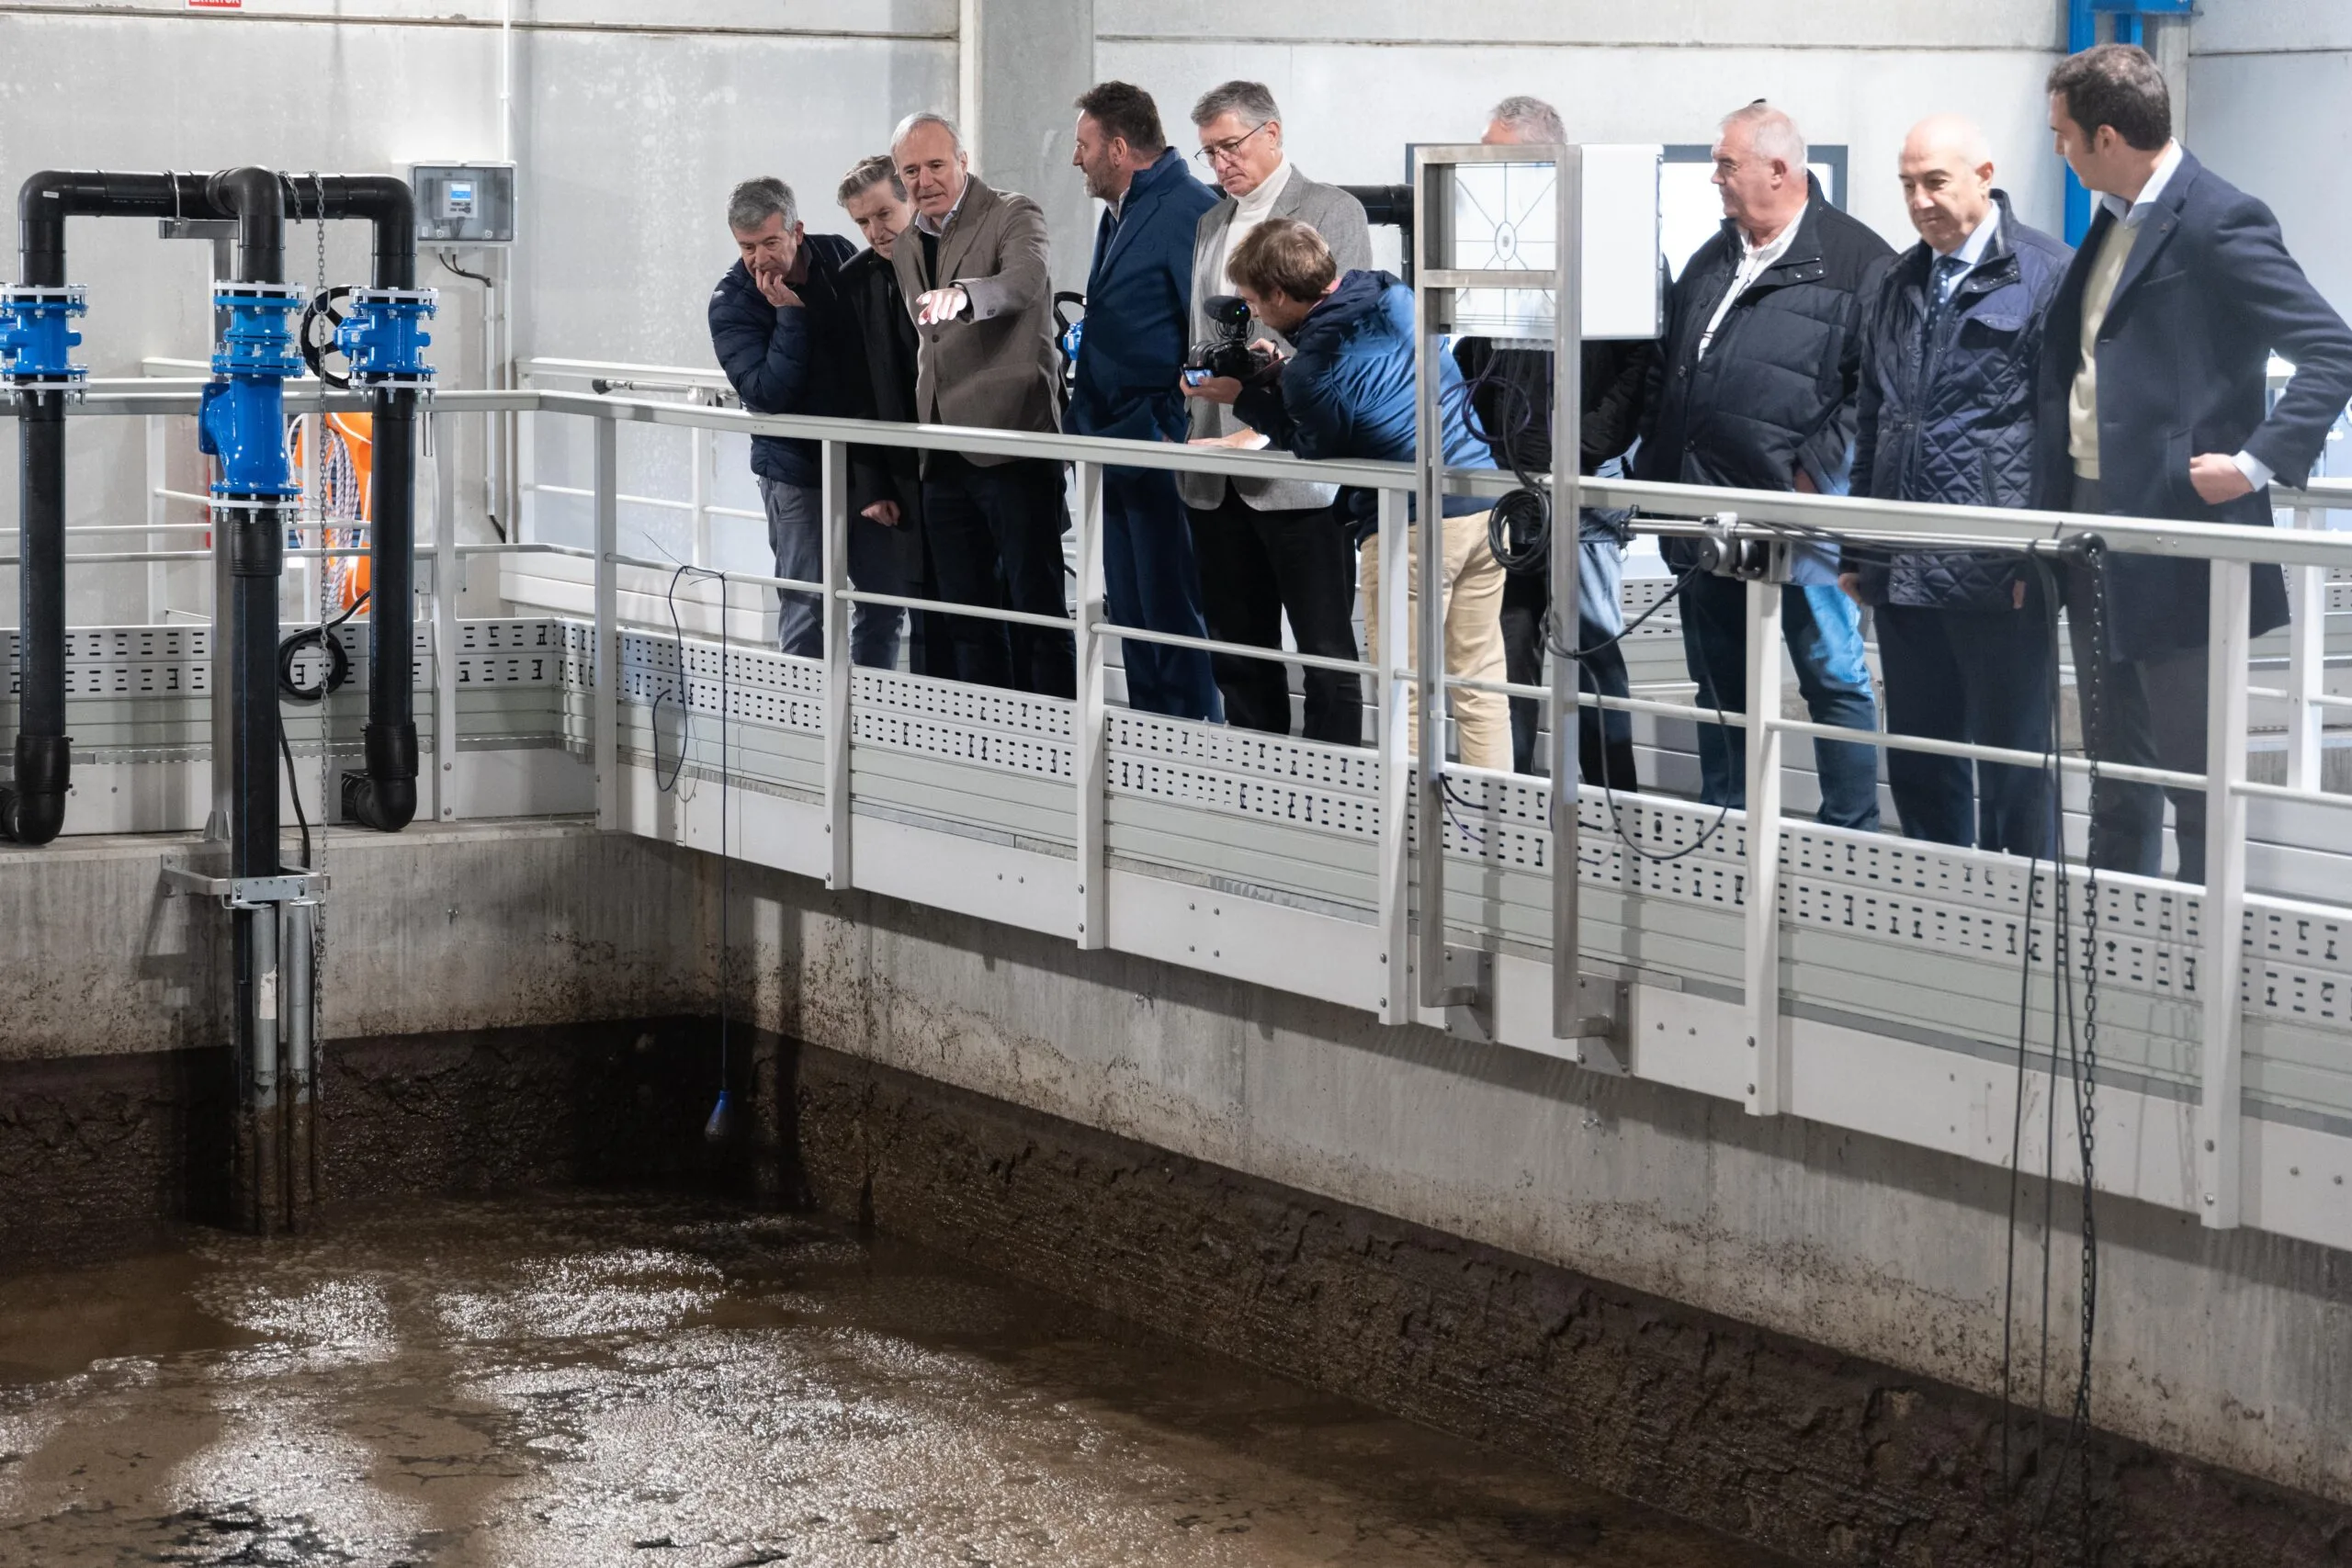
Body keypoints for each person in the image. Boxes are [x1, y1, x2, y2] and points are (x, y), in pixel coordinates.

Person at [2039, 43, 2352, 883]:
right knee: (2116, 769)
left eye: (2065, 137)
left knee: (2194, 774)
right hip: (2092, 517)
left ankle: (2199, 958)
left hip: (2183, 531)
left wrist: (2254, 464)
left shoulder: (2219, 217)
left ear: (2107, 135)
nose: (2060, 153)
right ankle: (2123, 937)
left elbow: (2331, 349)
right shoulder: (2115, 215)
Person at [1636, 102, 1890, 829]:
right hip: (1702, 511)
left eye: (1726, 165)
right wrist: (1658, 474)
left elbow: (1872, 391)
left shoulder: (1860, 263)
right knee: (1718, 678)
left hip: (1798, 519)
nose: (1715, 178)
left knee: (1831, 674)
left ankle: (1853, 829)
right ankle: (1729, 816)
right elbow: (1671, 369)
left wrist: (1811, 477)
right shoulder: (1713, 259)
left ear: (1779, 170)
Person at [1838, 116, 2071, 858]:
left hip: (1994, 570)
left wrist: (2036, 561)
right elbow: (1875, 415)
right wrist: (1861, 548)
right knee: (1919, 762)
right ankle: (1942, 910)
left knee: (2015, 768)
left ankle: (2028, 931)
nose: (1919, 200)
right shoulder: (1896, 280)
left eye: (1934, 181)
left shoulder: (2047, 275)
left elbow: (2061, 436)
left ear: (1983, 175)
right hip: (1904, 570)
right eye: (1907, 184)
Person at [1197, 218, 1509, 770]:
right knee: (1480, 684)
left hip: (1409, 529)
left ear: (1276, 293)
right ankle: (1498, 825)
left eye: (1253, 302)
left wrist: (1244, 396)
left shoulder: (1313, 372)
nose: (1256, 315)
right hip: (1482, 506)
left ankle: (1408, 834)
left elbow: (1314, 446)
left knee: (1404, 692)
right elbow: (1367, 378)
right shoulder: (1391, 290)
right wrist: (1283, 370)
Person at [1458, 94, 1650, 787]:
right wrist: (1492, 442)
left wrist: (1584, 448)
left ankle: (1615, 804)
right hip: (1508, 485)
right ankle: (1510, 794)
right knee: (1510, 646)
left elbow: (1639, 367)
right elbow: (1472, 350)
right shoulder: (1495, 240)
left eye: (1495, 155)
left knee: (1592, 646)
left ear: (1545, 155)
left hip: (1583, 486)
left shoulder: (1614, 240)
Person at [1181, 80, 1373, 746]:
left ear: (1274, 133)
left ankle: (1339, 788)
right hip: (1213, 469)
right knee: (1238, 652)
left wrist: (1265, 387)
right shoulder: (1209, 222)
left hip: (1297, 470)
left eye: (1230, 146)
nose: (1221, 163)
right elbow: (1200, 330)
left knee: (1325, 652)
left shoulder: (1331, 210)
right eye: (1208, 153)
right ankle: (1256, 787)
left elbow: (1339, 335)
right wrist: (1197, 378)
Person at [889, 111, 1074, 698]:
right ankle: (988, 739)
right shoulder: (905, 244)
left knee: (1036, 609)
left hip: (1012, 439)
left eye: (936, 165)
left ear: (964, 162)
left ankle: (1056, 739)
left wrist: (964, 295)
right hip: (941, 451)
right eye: (910, 170)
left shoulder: (1013, 213)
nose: (924, 180)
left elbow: (1024, 280)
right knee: (965, 613)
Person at [1067, 81, 1223, 720]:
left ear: (1120, 148)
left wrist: (1171, 424)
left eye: (1083, 146)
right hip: (1114, 441)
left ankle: (1193, 746)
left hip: (1157, 443)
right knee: (1132, 608)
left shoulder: (1189, 209)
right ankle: (1154, 741)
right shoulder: (1122, 210)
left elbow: (1207, 331)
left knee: (1169, 609)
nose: (1076, 159)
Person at [707, 177, 906, 665]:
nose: (759, 259)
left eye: (770, 243)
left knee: (883, 599)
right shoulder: (732, 302)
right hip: (794, 470)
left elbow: (869, 351)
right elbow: (765, 394)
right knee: (805, 606)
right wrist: (789, 319)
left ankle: (870, 715)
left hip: (864, 462)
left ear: (797, 231)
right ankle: (807, 727)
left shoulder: (837, 253)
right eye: (747, 247)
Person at [834, 154, 940, 676]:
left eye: (882, 214)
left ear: (910, 199)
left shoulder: (952, 256)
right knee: (893, 604)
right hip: (898, 470)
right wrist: (872, 486)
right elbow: (854, 391)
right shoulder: (853, 281)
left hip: (961, 460)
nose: (874, 230)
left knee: (965, 606)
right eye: (862, 221)